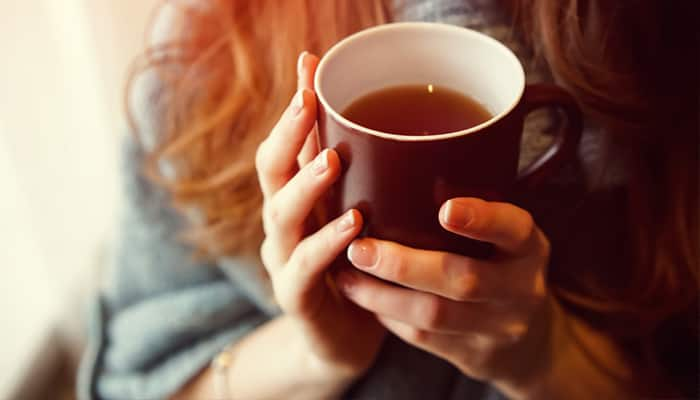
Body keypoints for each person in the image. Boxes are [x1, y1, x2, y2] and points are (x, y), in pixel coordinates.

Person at [78, 1, 698, 399]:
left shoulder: (661, 54)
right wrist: (315, 352)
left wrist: (547, 358)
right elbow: (134, 383)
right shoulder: (213, 46)